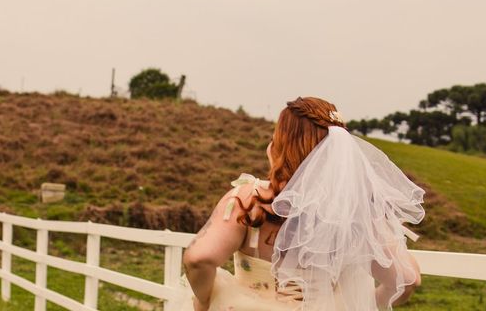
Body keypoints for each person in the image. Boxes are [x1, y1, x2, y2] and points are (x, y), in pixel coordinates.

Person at [176, 97, 425, 311]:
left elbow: (199, 258)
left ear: (280, 147)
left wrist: (206, 301)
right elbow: (407, 280)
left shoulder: (249, 199)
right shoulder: (353, 213)